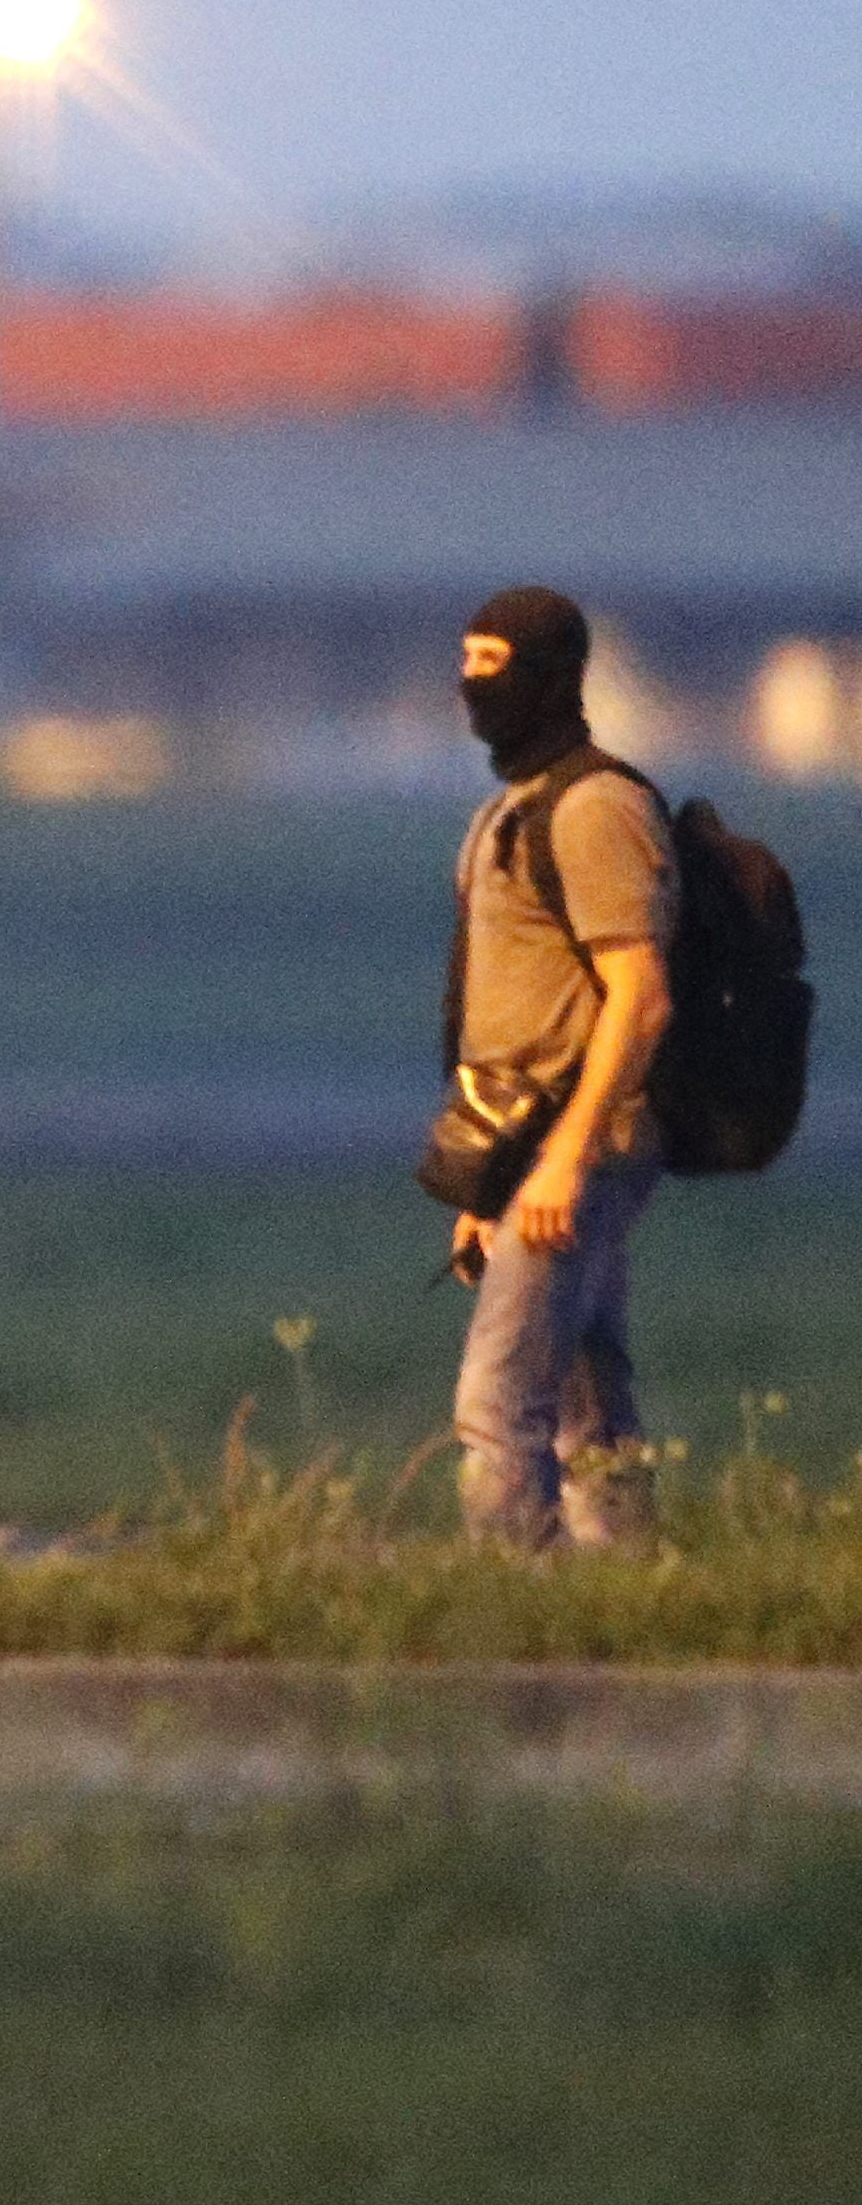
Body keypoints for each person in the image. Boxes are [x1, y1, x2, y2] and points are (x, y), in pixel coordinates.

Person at [436, 583, 674, 1549]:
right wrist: (483, 1184)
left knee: (498, 1404)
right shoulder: (505, 814)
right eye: (464, 662)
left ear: (547, 675)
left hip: (580, 1148)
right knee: (587, 1396)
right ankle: (626, 1602)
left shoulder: (594, 809)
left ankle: (517, 1625)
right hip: (521, 1152)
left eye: (490, 666)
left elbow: (641, 994)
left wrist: (566, 1161)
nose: (468, 684)